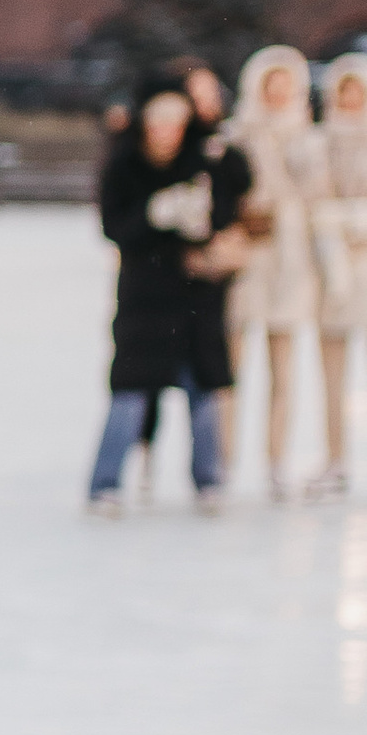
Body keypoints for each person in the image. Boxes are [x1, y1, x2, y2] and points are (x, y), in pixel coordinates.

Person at [86, 75, 251, 513]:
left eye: (175, 123)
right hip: (145, 298)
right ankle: (105, 483)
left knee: (203, 390)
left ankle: (208, 480)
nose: (167, 133)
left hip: (197, 297)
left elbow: (236, 195)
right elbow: (114, 229)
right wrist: (154, 216)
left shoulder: (205, 157)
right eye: (158, 124)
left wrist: (207, 231)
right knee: (132, 391)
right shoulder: (124, 164)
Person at [225, 45, 329, 500]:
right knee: (231, 369)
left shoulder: (310, 139)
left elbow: (318, 198)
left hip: (290, 263)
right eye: (273, 83)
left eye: (288, 84)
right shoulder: (235, 136)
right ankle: (223, 461)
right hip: (246, 262)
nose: (280, 92)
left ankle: (276, 461)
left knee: (283, 374)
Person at [313, 53, 367, 495]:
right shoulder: (317, 142)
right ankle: (336, 458)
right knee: (332, 374)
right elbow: (309, 199)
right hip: (330, 273)